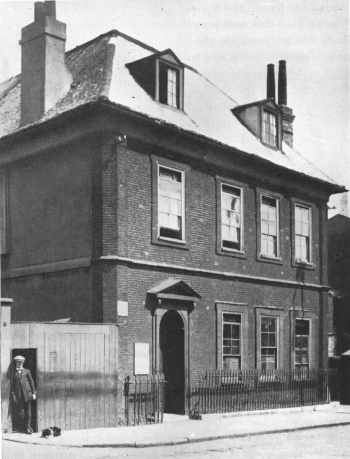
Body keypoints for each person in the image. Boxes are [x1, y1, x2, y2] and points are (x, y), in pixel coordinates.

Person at [10, 355, 36, 434]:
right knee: (21, 413)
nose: (19, 364)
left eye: (21, 362)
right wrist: (14, 396)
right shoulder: (13, 373)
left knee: (28, 412)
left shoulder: (27, 371)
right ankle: (22, 427)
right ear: (16, 363)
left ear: (23, 363)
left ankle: (28, 427)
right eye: (18, 362)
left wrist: (34, 393)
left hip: (27, 395)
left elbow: (31, 382)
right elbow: (12, 386)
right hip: (19, 396)